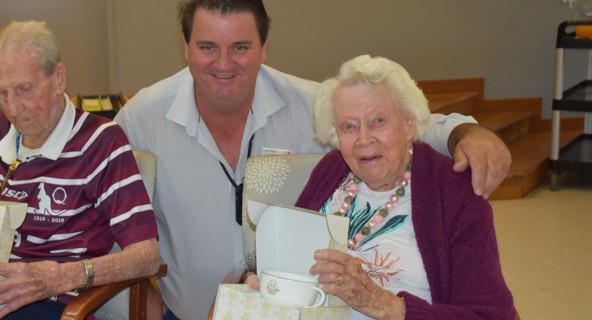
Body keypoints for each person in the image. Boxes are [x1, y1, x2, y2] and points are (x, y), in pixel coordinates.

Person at [113, 0, 510, 318]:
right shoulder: (141, 119)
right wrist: (140, 296)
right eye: (206, 47)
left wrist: (464, 133)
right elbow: (96, 200)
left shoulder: (308, 105)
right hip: (188, 312)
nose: (223, 63)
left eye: (240, 47)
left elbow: (405, 122)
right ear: (185, 47)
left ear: (264, 49)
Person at [0, 21, 160, 320]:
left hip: (53, 302)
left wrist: (62, 276)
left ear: (58, 79)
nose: (12, 108)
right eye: (2, 93)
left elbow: (147, 256)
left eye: (24, 90)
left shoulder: (101, 142)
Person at [249, 54, 515, 319]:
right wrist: (266, 282)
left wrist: (384, 305)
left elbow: (490, 316)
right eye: (349, 126)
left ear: (408, 124)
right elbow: (291, 257)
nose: (364, 139)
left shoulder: (454, 192)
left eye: (378, 121)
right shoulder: (331, 169)